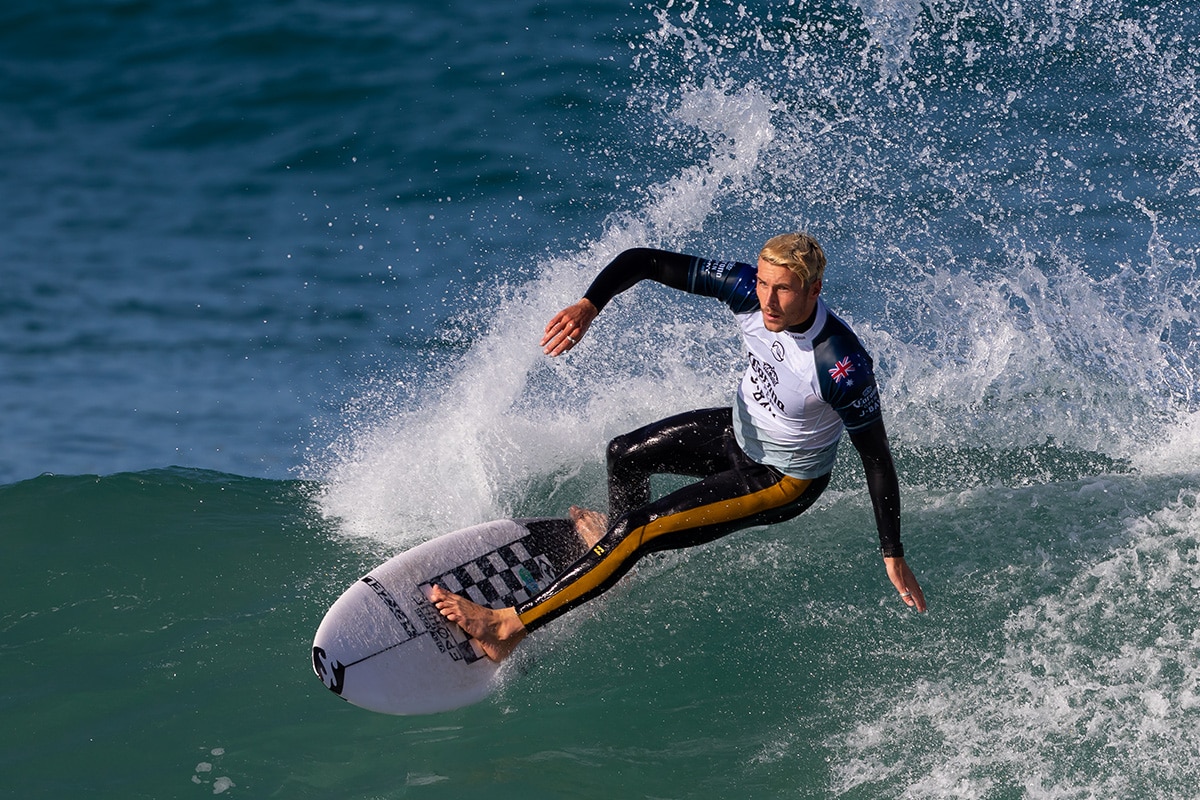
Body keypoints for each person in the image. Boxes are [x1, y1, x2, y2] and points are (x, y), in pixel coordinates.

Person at [430, 234, 926, 661]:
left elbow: (877, 460)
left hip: (781, 479)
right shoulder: (745, 290)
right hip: (741, 431)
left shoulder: (840, 365)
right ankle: (616, 562)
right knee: (625, 455)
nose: (768, 301)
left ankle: (508, 627)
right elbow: (644, 261)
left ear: (814, 290)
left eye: (783, 289)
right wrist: (589, 305)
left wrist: (892, 552)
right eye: (763, 283)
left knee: (636, 529)